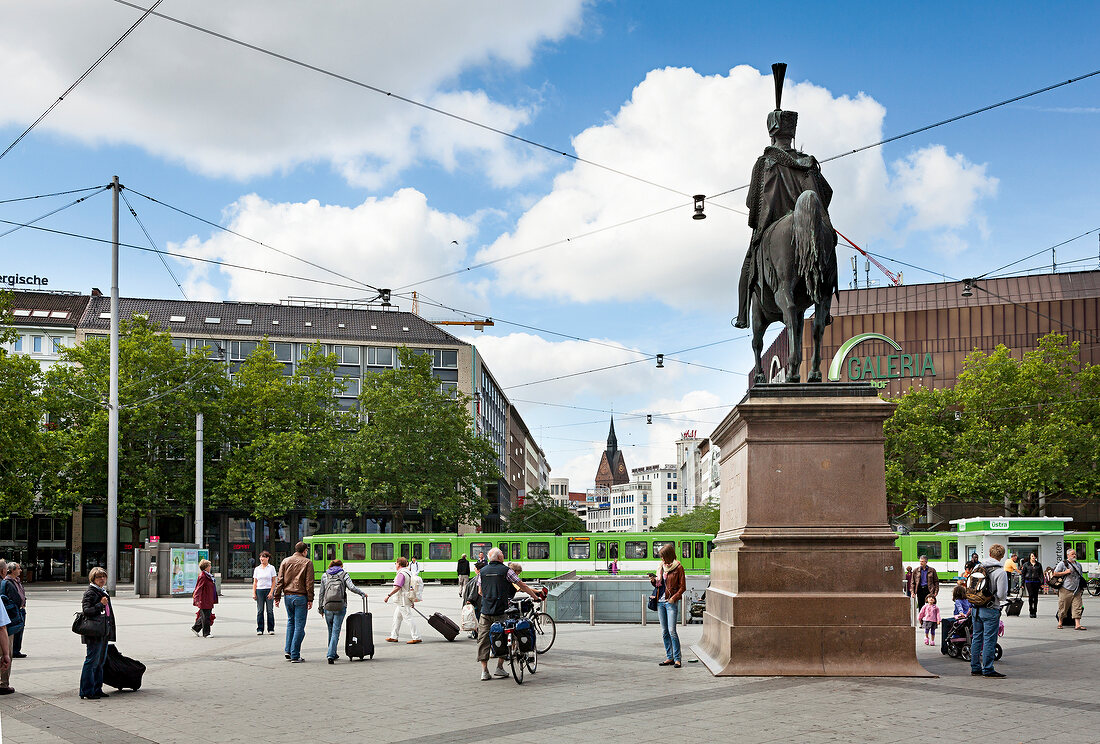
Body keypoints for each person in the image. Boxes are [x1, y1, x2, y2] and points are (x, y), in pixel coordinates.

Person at [734, 66, 834, 329]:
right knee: (829, 249)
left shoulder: (764, 162)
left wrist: (761, 225)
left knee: (747, 264)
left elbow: (752, 204)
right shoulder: (808, 162)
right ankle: (826, 305)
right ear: (792, 134)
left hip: (772, 226)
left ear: (771, 133)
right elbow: (826, 193)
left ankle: (742, 314)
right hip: (810, 226)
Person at [476, 548, 541, 681]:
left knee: (483, 640)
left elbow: (480, 592)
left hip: (486, 611)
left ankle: (484, 671)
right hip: (501, 611)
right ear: (501, 558)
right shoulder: (506, 571)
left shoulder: (482, 572)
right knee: (505, 638)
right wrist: (534, 596)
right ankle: (500, 667)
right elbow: (521, 585)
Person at [316, 559, 367, 664]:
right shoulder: (344, 574)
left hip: (327, 606)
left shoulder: (325, 575)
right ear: (341, 566)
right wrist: (362, 593)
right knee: (335, 631)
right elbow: (351, 587)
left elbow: (321, 593)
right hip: (340, 606)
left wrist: (320, 608)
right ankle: (330, 655)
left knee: (331, 630)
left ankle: (333, 653)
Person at [970, 543, 1008, 678]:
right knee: (989, 640)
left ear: (990, 554)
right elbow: (1002, 595)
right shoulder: (1000, 572)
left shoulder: (977, 567)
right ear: (1002, 556)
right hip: (991, 609)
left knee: (976, 637)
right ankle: (988, 669)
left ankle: (975, 667)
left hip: (976, 608)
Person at [272, 541, 314, 663]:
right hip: (301, 596)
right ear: (305, 550)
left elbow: (280, 580)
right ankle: (295, 654)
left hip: (288, 596)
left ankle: (288, 650)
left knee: (291, 622)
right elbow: (309, 582)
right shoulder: (307, 562)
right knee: (299, 625)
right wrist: (310, 598)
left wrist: (277, 596)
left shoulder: (285, 561)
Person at [79, 566, 115, 700]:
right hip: (94, 631)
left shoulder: (102, 591)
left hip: (103, 631)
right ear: (93, 579)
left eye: (104, 576)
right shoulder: (91, 592)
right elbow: (86, 610)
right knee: (92, 661)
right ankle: (87, 691)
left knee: (100, 662)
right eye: (99, 577)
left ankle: (97, 689)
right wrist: (100, 604)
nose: (102, 579)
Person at [653, 542, 687, 668]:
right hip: (660, 602)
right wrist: (654, 581)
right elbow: (659, 585)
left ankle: (677, 659)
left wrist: (674, 598)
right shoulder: (661, 567)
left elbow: (682, 587)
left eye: (663, 556)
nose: (661, 559)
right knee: (664, 632)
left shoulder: (678, 568)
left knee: (672, 631)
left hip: (670, 602)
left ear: (668, 555)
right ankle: (669, 657)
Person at [383, 557, 421, 644]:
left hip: (402, 600)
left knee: (408, 618)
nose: (395, 565)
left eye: (396, 563)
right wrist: (411, 601)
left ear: (399, 564)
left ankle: (416, 637)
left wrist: (388, 595)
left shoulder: (401, 574)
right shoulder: (408, 572)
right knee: (397, 618)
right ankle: (394, 636)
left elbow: (398, 587)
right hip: (405, 599)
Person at [1052, 549, 1086, 631]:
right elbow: (1055, 573)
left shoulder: (1078, 564)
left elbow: (1080, 576)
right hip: (1065, 589)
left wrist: (1081, 588)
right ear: (1068, 555)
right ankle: (1060, 623)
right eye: (1072, 554)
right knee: (1063, 606)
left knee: (1077, 607)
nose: (1074, 555)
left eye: (1075, 554)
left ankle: (1077, 624)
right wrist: (1065, 572)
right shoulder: (1062, 564)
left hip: (1077, 589)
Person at [1, 562, 26, 658]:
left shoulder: (17, 580)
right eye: (18, 568)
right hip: (14, 610)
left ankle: (16, 650)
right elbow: (4, 596)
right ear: (12, 570)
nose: (20, 570)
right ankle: (11, 650)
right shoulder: (6, 582)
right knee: (14, 630)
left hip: (21, 609)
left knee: (20, 630)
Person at [252, 550, 277, 635]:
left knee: (270, 610)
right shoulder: (257, 569)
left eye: (264, 557)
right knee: (260, 610)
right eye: (261, 557)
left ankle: (271, 628)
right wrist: (254, 593)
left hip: (268, 590)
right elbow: (255, 582)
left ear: (268, 558)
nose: (262, 559)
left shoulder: (271, 568)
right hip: (259, 590)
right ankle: (260, 629)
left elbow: (274, 581)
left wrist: (271, 592)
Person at [191, 559, 217, 638]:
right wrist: (197, 598)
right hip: (204, 599)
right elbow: (199, 588)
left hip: (208, 598)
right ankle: (206, 633)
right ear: (205, 567)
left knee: (205, 615)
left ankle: (195, 628)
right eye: (209, 565)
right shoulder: (203, 576)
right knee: (206, 616)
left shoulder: (208, 575)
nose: (210, 567)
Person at [1020, 552, 1044, 619]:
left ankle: (1035, 611)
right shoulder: (1026, 564)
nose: (1033, 557)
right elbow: (1023, 574)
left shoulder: (1038, 565)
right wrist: (1022, 583)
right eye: (1032, 556)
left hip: (1036, 581)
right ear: (1030, 557)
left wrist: (1042, 583)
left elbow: (1041, 574)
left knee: (1035, 596)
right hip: (1029, 581)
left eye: (1034, 556)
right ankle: (1031, 611)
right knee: (1031, 596)